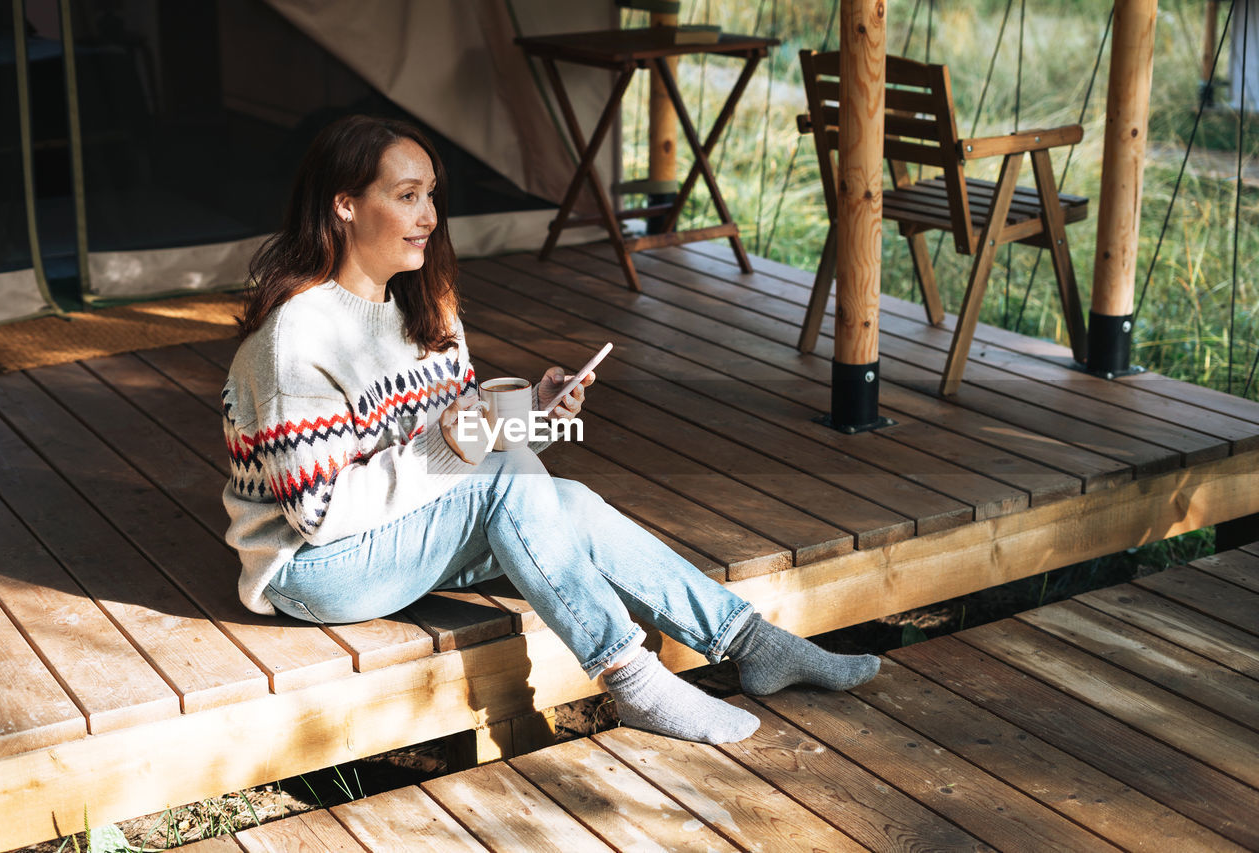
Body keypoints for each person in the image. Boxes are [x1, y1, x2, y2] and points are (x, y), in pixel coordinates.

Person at [221, 114, 880, 745]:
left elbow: (467, 453)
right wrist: (451, 448)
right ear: (344, 204)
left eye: (432, 196)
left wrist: (535, 413)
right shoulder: (297, 338)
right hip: (315, 568)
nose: (429, 216)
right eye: (408, 195)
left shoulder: (426, 306)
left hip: (404, 535)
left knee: (571, 504)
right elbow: (321, 514)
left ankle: (755, 644)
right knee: (510, 480)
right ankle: (635, 680)